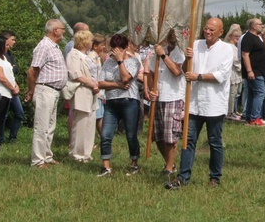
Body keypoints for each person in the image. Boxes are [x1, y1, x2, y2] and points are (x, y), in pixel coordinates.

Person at [166, 18, 233, 189]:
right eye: (206, 28)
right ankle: (183, 177)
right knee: (188, 141)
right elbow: (184, 71)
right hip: (194, 102)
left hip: (214, 104)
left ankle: (215, 177)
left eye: (212, 30)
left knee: (214, 141)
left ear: (220, 32)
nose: (208, 32)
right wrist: (188, 59)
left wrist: (199, 76)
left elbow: (222, 75)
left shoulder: (226, 49)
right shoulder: (195, 45)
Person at [25, 19, 68, 168]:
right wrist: (32, 90)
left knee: (50, 126)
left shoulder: (53, 47)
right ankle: (37, 160)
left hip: (53, 91)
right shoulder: (44, 46)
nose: (64, 31)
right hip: (45, 89)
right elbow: (32, 70)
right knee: (41, 126)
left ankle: (47, 155)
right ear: (55, 30)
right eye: (62, 29)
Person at [97, 34, 142, 176]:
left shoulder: (134, 62)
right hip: (111, 102)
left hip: (129, 101)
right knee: (105, 134)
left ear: (125, 48)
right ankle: (106, 166)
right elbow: (100, 83)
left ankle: (134, 163)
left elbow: (126, 77)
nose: (115, 53)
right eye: (113, 49)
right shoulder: (107, 62)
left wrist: (120, 61)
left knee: (130, 135)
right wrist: (118, 85)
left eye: (119, 49)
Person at [145, 30, 185, 176]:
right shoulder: (159, 51)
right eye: (170, 34)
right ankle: (170, 163)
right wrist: (151, 89)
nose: (172, 37)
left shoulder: (180, 52)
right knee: (158, 135)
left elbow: (176, 71)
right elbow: (150, 73)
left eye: (174, 34)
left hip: (173, 96)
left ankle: (169, 168)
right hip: (159, 97)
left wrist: (163, 55)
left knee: (170, 137)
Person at [65, 30, 99, 162]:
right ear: (84, 41)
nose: (92, 43)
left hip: (92, 93)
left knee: (90, 123)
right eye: (90, 40)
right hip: (82, 91)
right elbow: (76, 74)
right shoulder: (73, 55)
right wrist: (93, 84)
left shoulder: (88, 55)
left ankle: (86, 152)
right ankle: (77, 153)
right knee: (81, 123)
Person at [240, 18, 265, 127]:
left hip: (259, 71)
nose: (262, 26)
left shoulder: (257, 37)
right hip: (254, 71)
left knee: (253, 94)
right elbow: (245, 55)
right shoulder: (248, 37)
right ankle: (255, 117)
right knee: (260, 93)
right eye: (260, 24)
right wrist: (249, 71)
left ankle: (249, 117)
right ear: (253, 26)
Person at [0, 30, 24, 143]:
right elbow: (2, 75)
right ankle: (1, 139)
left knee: (19, 113)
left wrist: (15, 85)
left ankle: (12, 137)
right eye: (13, 39)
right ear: (6, 40)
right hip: (3, 88)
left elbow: (15, 70)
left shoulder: (9, 54)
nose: (14, 42)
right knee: (3, 115)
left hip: (13, 87)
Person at [224, 24, 242, 120]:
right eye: (236, 36)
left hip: (235, 73)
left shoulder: (234, 46)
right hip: (232, 72)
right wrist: (242, 67)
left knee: (234, 93)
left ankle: (232, 111)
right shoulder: (230, 46)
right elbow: (236, 60)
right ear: (230, 36)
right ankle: (229, 112)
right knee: (232, 93)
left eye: (239, 37)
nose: (237, 38)